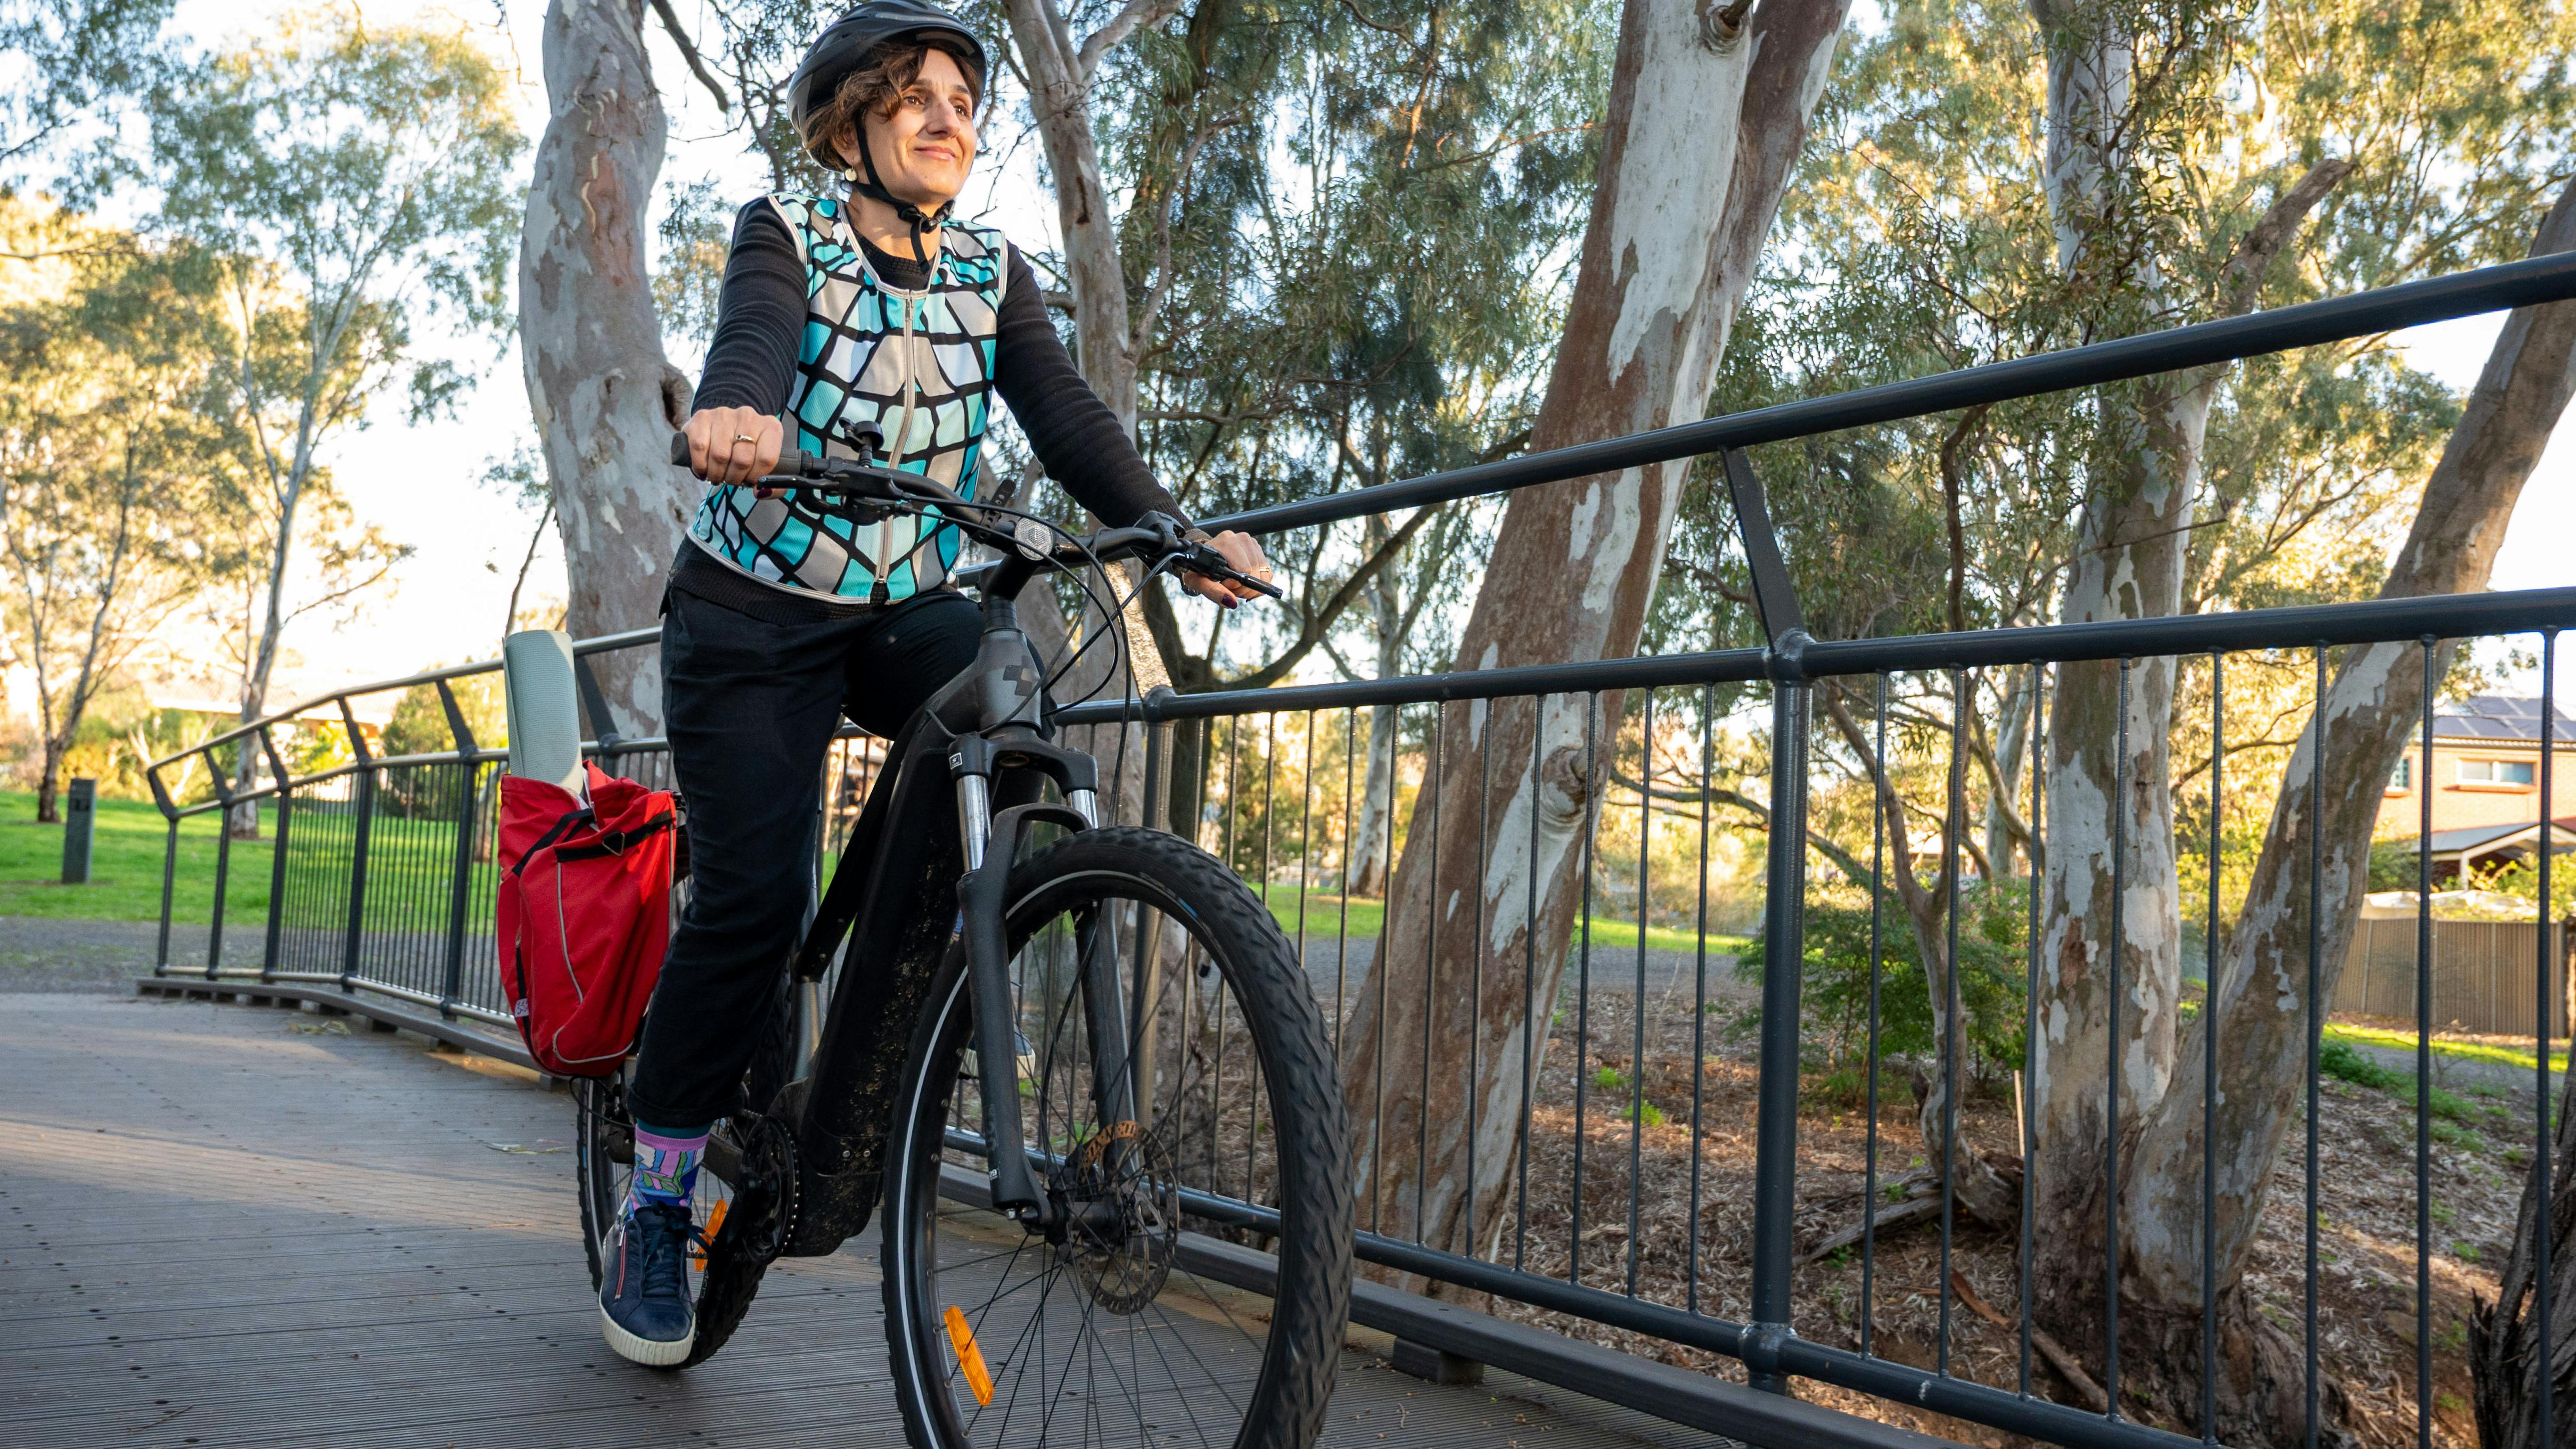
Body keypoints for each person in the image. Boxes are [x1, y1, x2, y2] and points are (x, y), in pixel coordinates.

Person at [597, 0, 1270, 1366]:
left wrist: (1172, 525)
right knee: (751, 895)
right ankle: (657, 1198)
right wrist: (733, 414)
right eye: (910, 93)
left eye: (962, 95)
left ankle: (891, 1024)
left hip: (903, 602)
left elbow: (1063, 409)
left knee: (1007, 698)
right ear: (851, 123)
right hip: (753, 611)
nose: (945, 114)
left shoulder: (989, 265)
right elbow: (755, 336)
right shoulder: (786, 226)